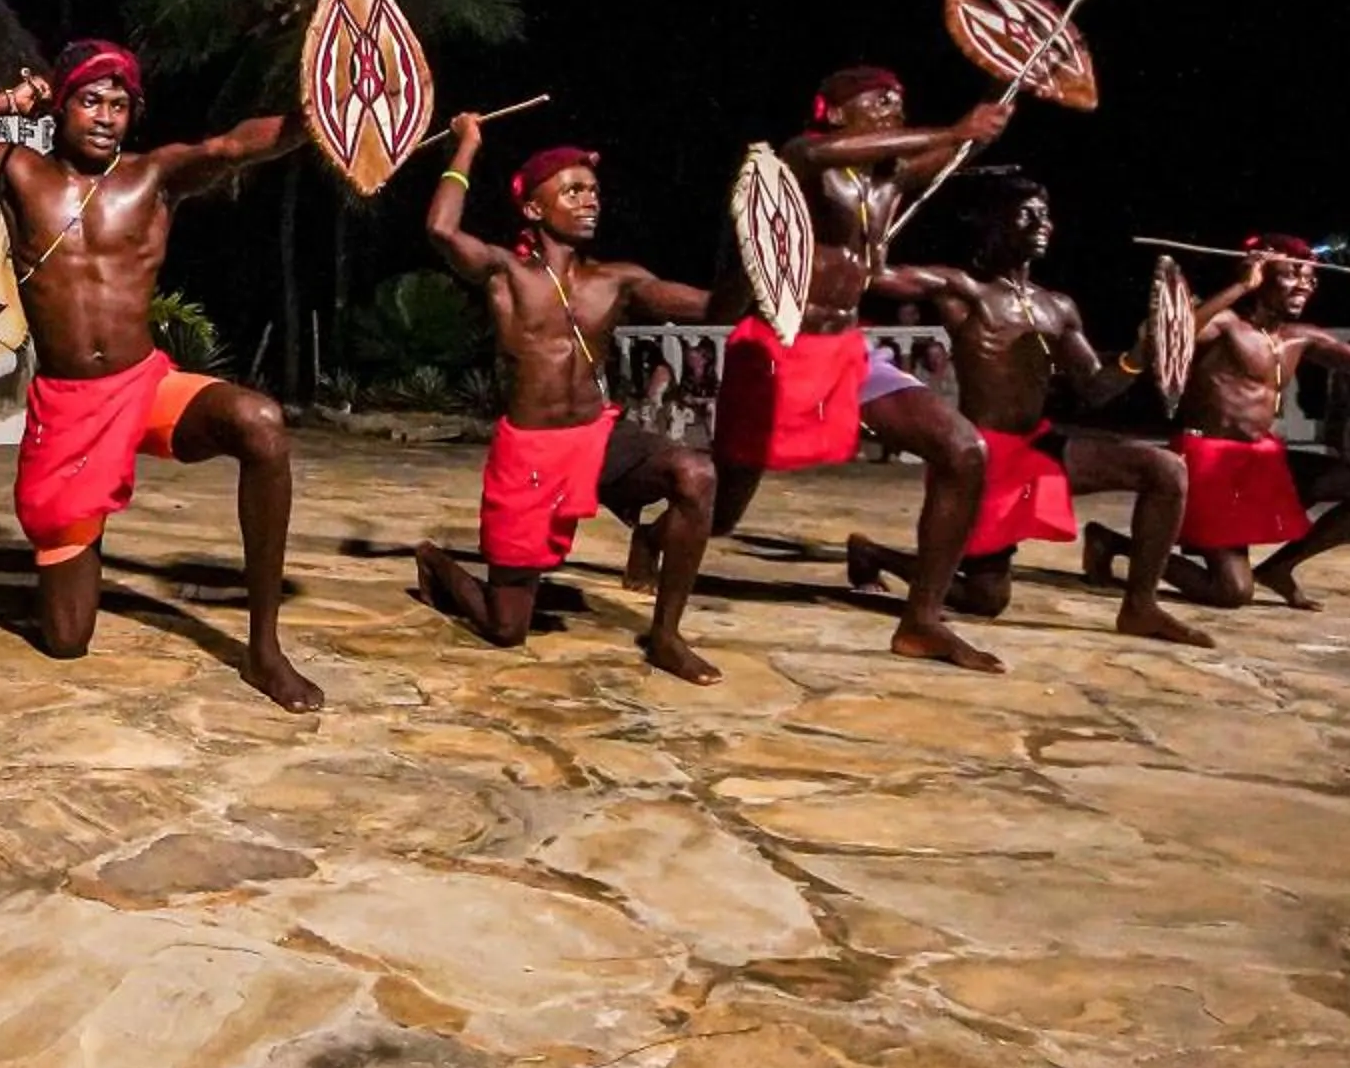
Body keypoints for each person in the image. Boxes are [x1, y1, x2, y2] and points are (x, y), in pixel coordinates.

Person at [0, 38, 324, 711]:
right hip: (67, 411)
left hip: (144, 388)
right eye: (90, 100)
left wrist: (311, 120)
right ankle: (78, 539)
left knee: (258, 424)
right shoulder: (19, 173)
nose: (106, 115)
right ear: (61, 106)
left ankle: (264, 649)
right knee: (65, 641)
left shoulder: (155, 176)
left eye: (119, 104)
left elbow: (234, 147)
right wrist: (5, 101)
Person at [709, 65, 1013, 670]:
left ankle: (921, 622)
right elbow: (879, 147)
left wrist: (975, 132)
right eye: (879, 100)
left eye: (900, 99)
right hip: (779, 347)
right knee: (719, 511)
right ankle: (657, 540)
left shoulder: (888, 178)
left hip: (848, 350)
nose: (893, 108)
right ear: (837, 111)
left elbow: (944, 150)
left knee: (962, 450)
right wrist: (952, 129)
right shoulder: (803, 157)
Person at [413, 119, 723, 681]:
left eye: (594, 191)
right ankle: (436, 562)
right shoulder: (506, 272)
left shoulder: (617, 280)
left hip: (598, 438)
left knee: (695, 474)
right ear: (533, 209)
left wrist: (769, 269)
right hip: (530, 454)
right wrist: (468, 144)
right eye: (573, 190)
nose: (589, 200)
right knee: (506, 630)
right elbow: (440, 229)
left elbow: (711, 306)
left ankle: (666, 635)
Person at [855, 171, 1212, 645]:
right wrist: (883, 202)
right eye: (1027, 213)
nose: (1042, 223)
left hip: (1040, 446)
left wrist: (1138, 355)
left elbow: (1095, 389)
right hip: (984, 457)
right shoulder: (963, 289)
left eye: (1046, 215)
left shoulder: (1057, 307)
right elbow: (874, 276)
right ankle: (875, 553)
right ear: (993, 223)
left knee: (1166, 470)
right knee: (986, 598)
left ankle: (1141, 607)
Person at [1096, 235, 1350, 611]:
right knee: (1231, 593)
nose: (1305, 284)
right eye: (1292, 274)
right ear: (1261, 275)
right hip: (1210, 467)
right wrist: (1241, 284)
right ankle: (1116, 545)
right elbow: (1171, 336)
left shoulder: (1300, 338)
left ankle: (1280, 569)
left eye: (1310, 278)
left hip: (1263, 462)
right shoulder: (1224, 325)